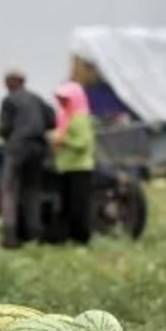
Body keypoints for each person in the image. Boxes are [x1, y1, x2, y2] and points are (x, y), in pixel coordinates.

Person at [0, 69, 56, 249]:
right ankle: (34, 235)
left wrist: (8, 134)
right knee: (32, 191)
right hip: (38, 148)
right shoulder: (36, 98)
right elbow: (52, 121)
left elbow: (3, 128)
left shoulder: (9, 100)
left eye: (7, 81)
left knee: (9, 191)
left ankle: (9, 238)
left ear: (11, 83)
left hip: (18, 147)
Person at [51, 81, 96, 244]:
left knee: (79, 206)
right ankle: (68, 237)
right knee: (66, 206)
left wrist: (63, 141)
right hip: (65, 167)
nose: (61, 101)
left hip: (80, 167)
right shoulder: (63, 116)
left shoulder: (80, 117)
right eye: (60, 98)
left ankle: (82, 238)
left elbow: (82, 143)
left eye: (65, 98)